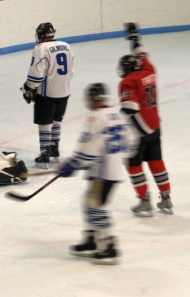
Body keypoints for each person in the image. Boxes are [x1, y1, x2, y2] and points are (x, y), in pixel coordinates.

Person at [58, 83, 132, 265]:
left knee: (95, 207)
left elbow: (90, 147)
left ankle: (109, 247)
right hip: (112, 169)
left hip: (102, 172)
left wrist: (74, 164)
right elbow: (131, 141)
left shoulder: (95, 117)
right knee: (89, 202)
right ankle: (91, 240)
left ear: (92, 99)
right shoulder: (118, 115)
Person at [118, 23, 172, 217]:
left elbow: (129, 110)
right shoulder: (149, 69)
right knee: (156, 161)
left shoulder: (127, 82)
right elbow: (141, 53)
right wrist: (134, 37)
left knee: (133, 164)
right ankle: (166, 199)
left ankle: (144, 202)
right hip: (155, 127)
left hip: (138, 132)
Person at [21, 22, 74, 169]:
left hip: (47, 93)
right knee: (56, 120)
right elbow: (71, 68)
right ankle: (55, 149)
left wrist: (28, 87)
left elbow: (37, 73)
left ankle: (45, 155)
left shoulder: (40, 48)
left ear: (42, 35)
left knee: (44, 122)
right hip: (64, 91)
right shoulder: (67, 46)